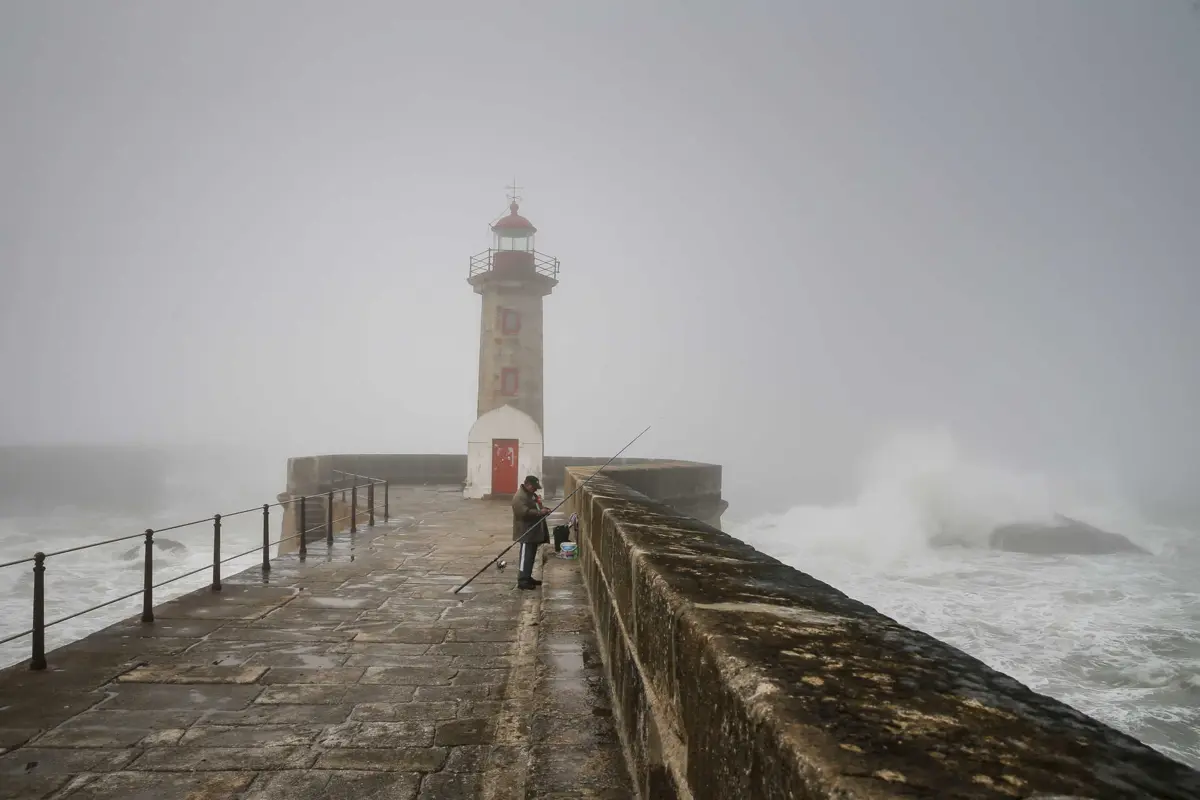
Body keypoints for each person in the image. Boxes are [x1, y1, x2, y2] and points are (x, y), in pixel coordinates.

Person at [511, 474, 550, 590]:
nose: (535, 489)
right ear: (527, 484)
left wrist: (544, 509)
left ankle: (528, 577)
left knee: (531, 556)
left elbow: (536, 507)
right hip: (525, 531)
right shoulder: (519, 497)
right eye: (534, 487)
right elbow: (522, 513)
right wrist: (539, 513)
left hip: (532, 531)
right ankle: (522, 580)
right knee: (525, 556)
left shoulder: (530, 495)